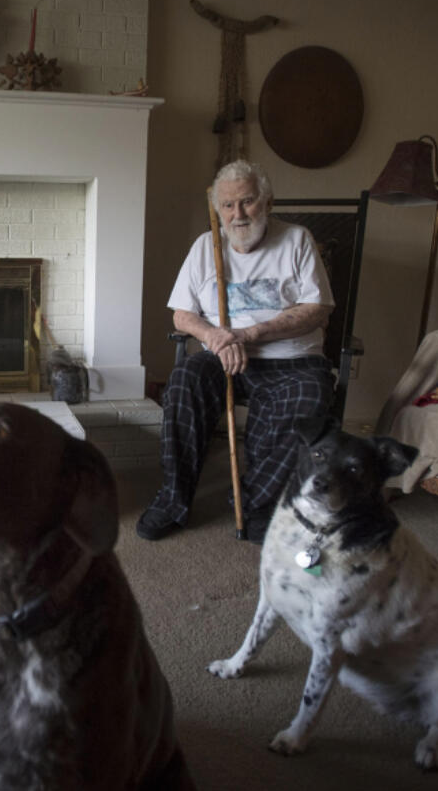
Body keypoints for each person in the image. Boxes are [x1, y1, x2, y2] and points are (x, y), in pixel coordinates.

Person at [137, 159, 336, 543]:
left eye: (246, 202)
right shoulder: (204, 247)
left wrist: (252, 334)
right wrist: (215, 337)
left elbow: (318, 308)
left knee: (312, 396)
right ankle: (172, 501)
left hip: (292, 361)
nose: (237, 214)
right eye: (227, 205)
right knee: (183, 382)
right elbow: (182, 315)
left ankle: (254, 502)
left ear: (267, 202)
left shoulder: (296, 240)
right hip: (223, 356)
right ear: (217, 209)